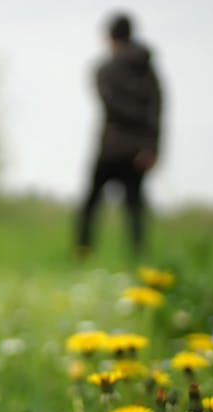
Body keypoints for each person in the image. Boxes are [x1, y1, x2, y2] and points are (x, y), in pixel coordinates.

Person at [76, 13, 162, 261]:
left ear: (110, 37)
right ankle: (137, 257)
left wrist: (130, 117)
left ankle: (82, 252)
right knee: (134, 207)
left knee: (91, 204)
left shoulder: (104, 70)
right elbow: (157, 109)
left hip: (111, 147)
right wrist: (152, 147)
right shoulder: (149, 72)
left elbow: (109, 105)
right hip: (138, 150)